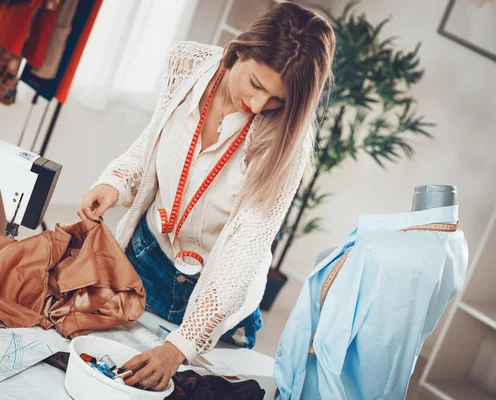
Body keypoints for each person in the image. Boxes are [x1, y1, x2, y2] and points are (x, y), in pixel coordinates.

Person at [77, 2, 335, 391]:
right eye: (257, 85)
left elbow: (243, 255)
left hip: (215, 302)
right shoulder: (187, 66)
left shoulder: (288, 145)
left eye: (278, 101)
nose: (260, 106)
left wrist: (181, 346)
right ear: (237, 53)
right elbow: (152, 145)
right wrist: (114, 182)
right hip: (144, 264)